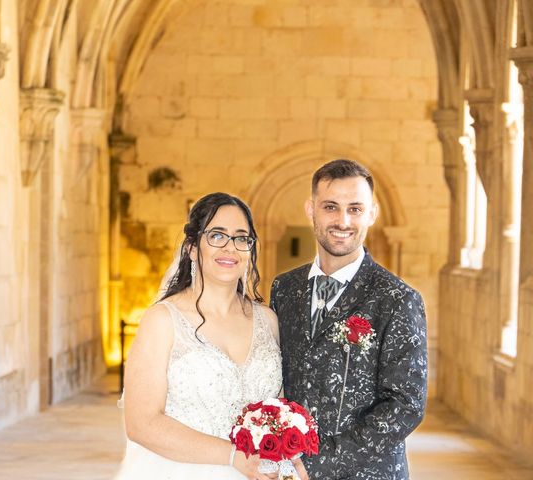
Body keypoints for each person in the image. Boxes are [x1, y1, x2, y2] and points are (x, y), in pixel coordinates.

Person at [115, 192, 308, 480]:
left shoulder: (267, 321)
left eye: (242, 238)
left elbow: (278, 408)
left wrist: (289, 455)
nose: (230, 248)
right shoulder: (163, 321)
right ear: (192, 247)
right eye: (217, 236)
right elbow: (141, 423)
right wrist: (232, 457)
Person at [270, 159, 427, 479]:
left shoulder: (398, 299)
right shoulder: (284, 289)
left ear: (372, 213)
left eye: (355, 208)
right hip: (289, 470)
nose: (343, 220)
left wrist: (316, 462)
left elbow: (405, 406)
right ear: (310, 210)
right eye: (330, 206)